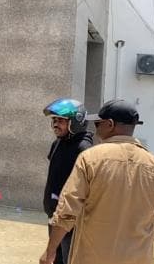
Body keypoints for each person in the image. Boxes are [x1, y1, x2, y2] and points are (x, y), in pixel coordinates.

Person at [40, 99, 154, 264]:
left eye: (98, 124)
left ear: (110, 124)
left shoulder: (90, 158)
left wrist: (50, 250)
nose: (95, 129)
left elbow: (67, 210)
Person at [42, 99, 94, 264]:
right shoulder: (57, 144)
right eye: (54, 120)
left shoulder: (84, 149)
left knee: (68, 259)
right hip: (55, 215)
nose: (56, 124)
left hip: (71, 221)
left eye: (61, 121)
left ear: (76, 122)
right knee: (55, 259)